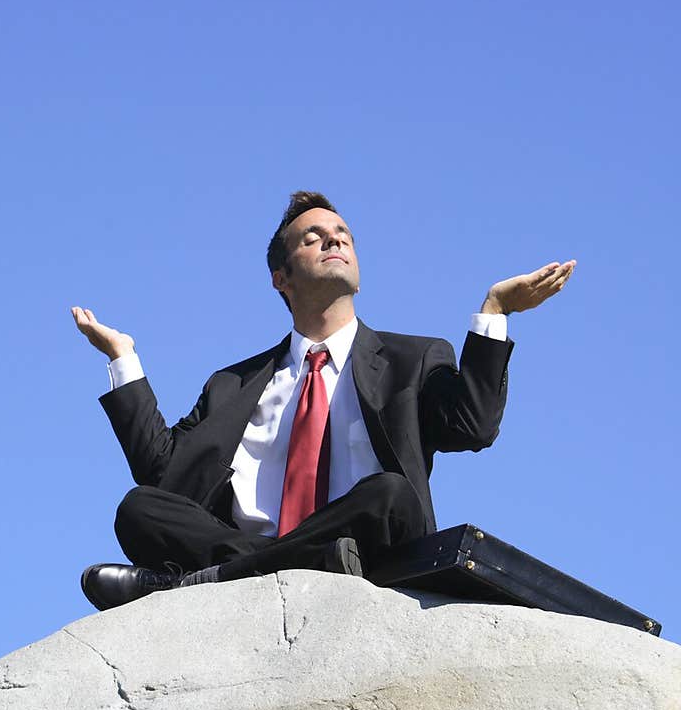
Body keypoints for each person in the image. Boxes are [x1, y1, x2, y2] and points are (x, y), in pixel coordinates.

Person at [72, 190, 575, 610]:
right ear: (281, 278)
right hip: (319, 551)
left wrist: (495, 312)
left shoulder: (412, 358)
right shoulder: (232, 383)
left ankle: (202, 582)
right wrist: (124, 360)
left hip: (372, 549)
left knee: (391, 495)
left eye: (344, 236)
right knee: (138, 508)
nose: (334, 238)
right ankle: (276, 564)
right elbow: (162, 473)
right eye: (313, 237)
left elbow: (473, 426)